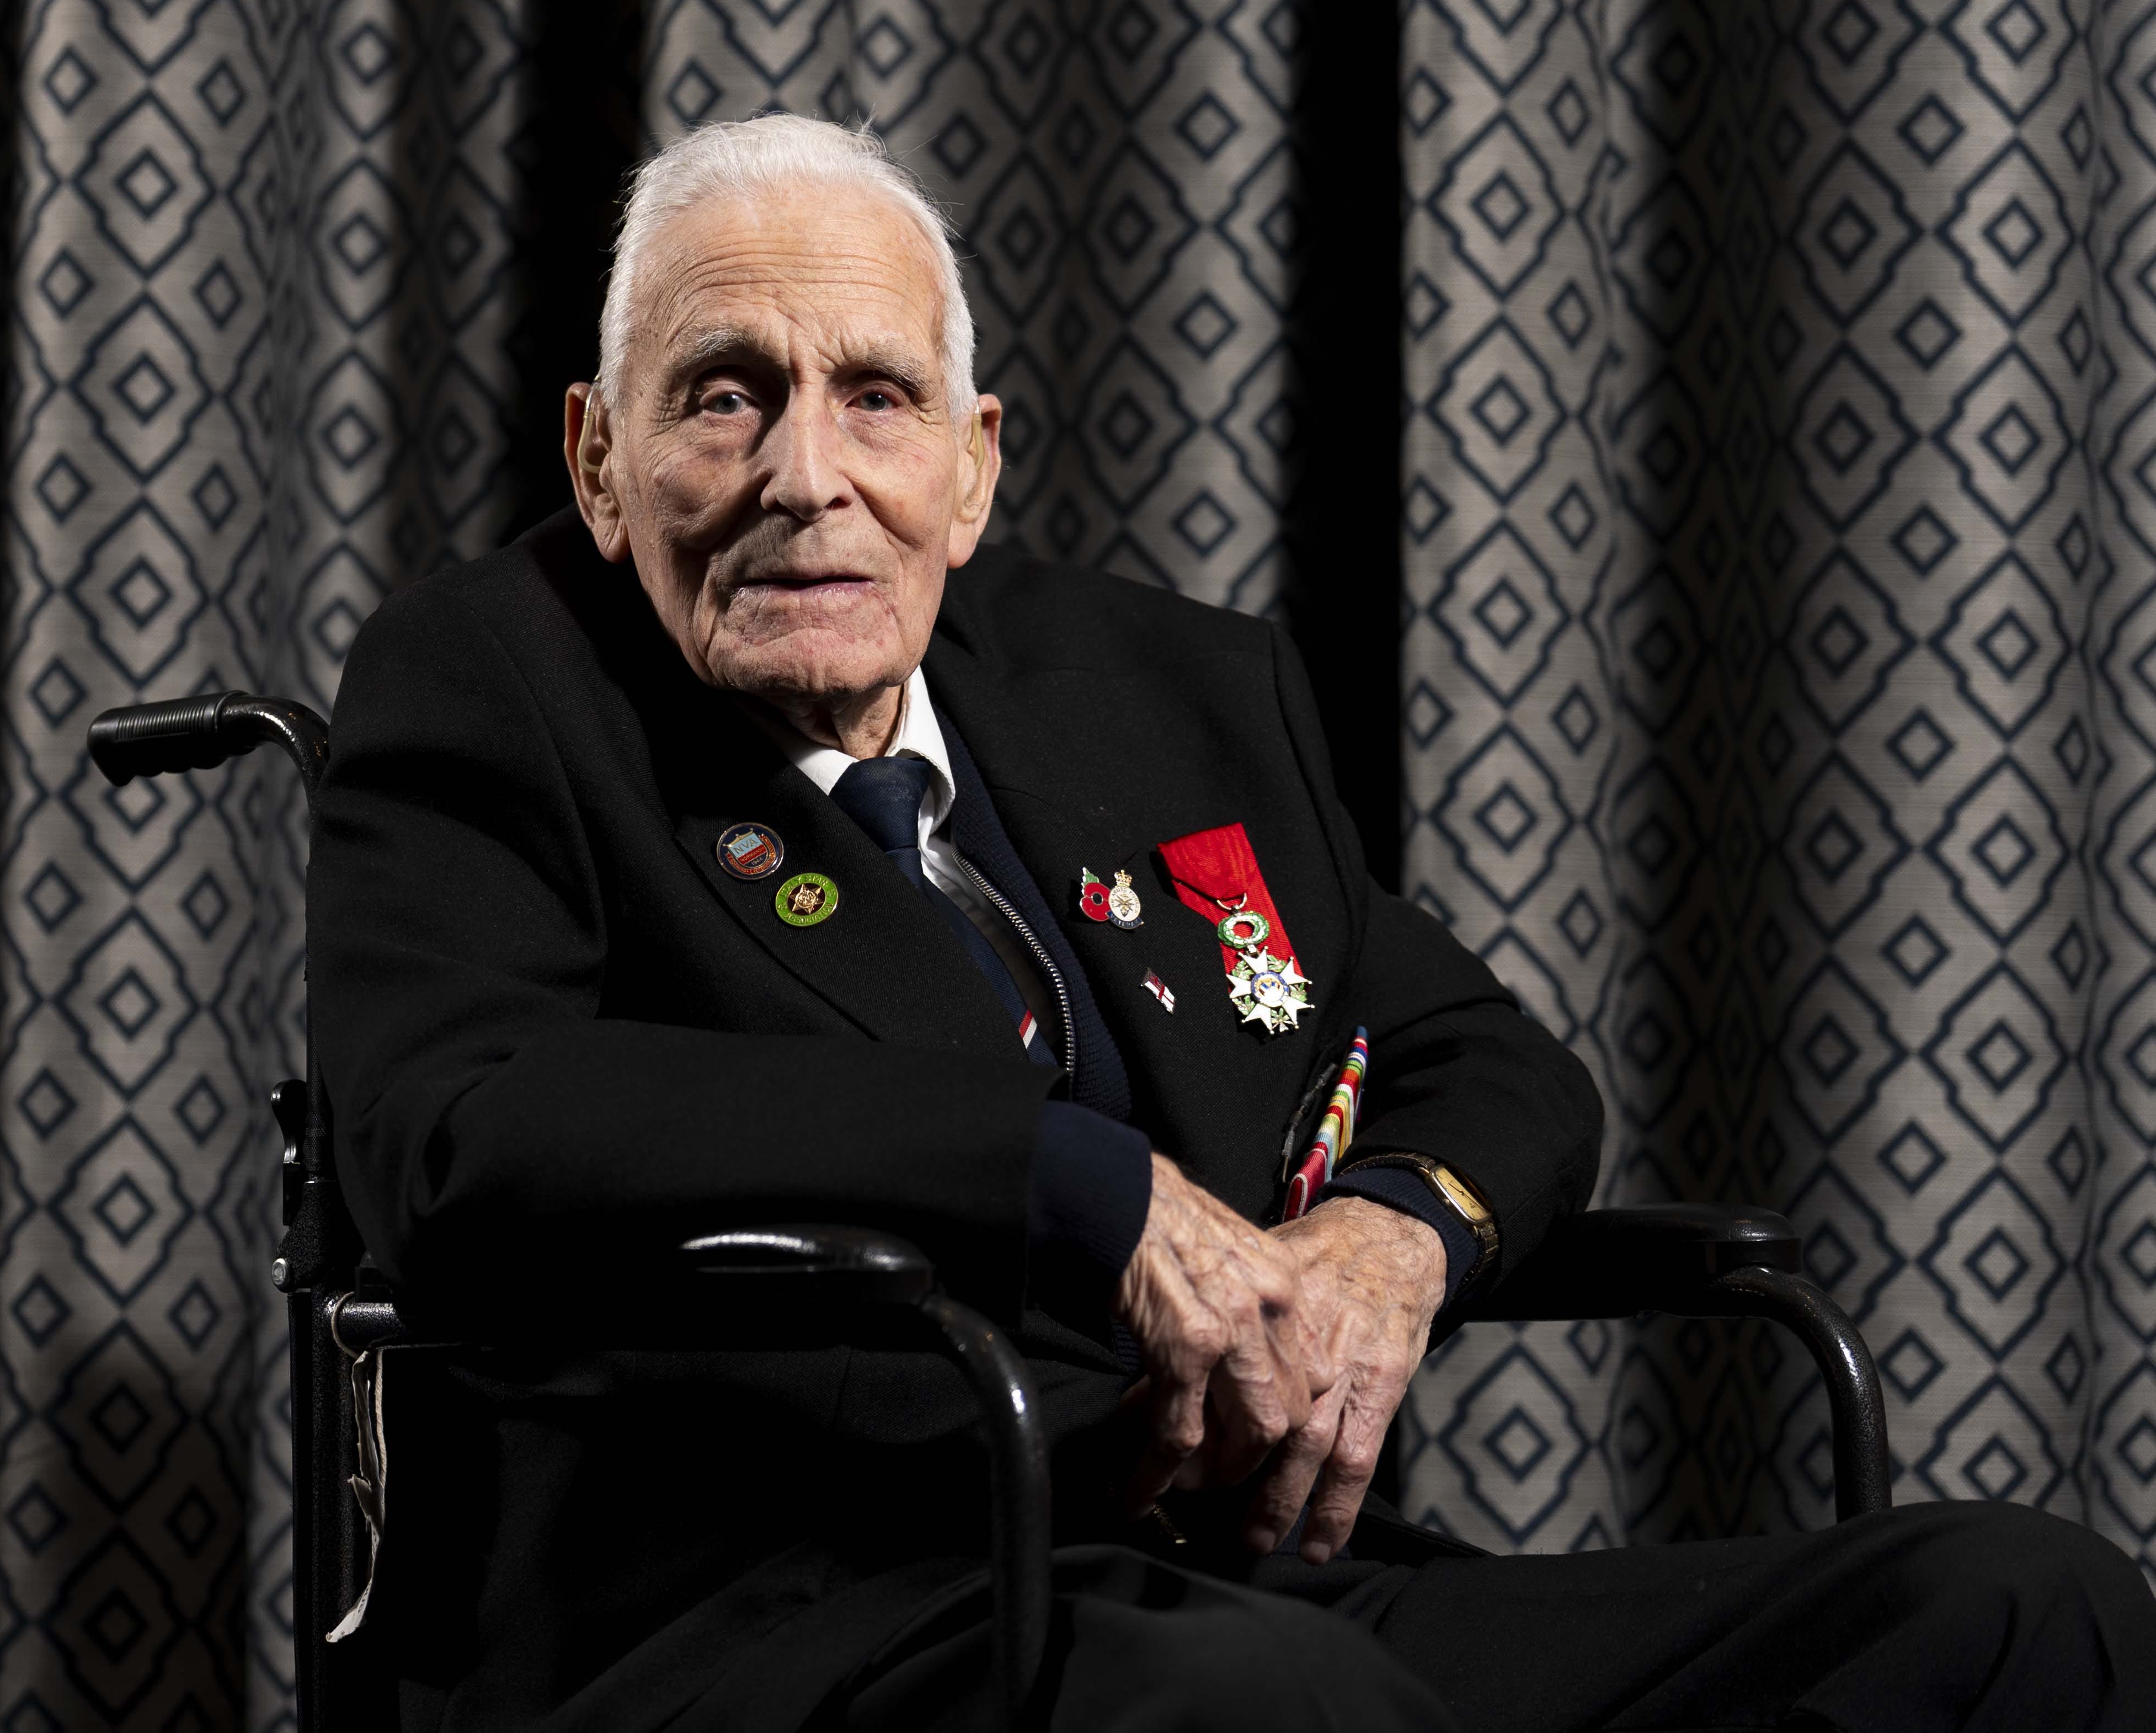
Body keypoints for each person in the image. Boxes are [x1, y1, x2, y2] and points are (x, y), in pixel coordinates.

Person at [304, 114, 2156, 1732]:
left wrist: (1392, 1241)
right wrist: (1066, 1188)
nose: (809, 473)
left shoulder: (1152, 695)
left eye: (876, 396)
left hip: (1222, 1586)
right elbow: (459, 1131)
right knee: (1285, 1708)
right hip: (787, 1625)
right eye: (725, 393)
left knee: (2017, 1612)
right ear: (598, 459)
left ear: (973, 464)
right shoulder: (497, 684)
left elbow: (1473, 1056)